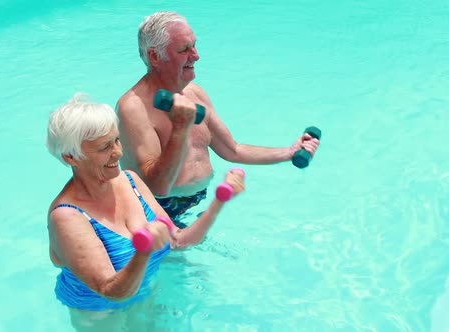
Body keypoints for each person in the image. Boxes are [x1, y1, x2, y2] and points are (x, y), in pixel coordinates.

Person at [46, 93, 245, 331]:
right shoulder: (67, 216)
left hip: (144, 292)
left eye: (117, 140)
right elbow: (111, 292)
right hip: (100, 315)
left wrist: (220, 201)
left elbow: (179, 240)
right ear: (71, 157)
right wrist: (143, 251)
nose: (118, 153)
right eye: (104, 147)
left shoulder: (130, 181)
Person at [116, 11, 320, 227]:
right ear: (155, 56)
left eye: (194, 45)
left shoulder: (194, 93)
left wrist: (288, 153)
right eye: (184, 49)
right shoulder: (133, 108)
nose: (196, 55)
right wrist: (180, 127)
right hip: (158, 211)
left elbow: (232, 150)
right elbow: (157, 187)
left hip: (197, 202)